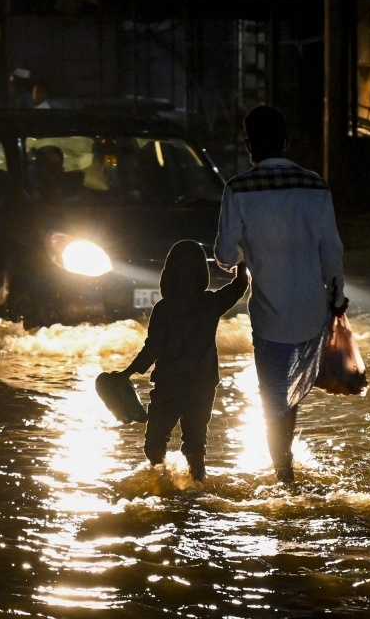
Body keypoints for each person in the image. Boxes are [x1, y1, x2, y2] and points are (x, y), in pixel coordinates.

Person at [214, 104, 347, 487]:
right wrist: (337, 298)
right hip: (312, 313)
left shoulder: (238, 189)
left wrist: (243, 255)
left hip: (269, 316)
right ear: (287, 142)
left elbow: (225, 255)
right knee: (290, 398)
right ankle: (286, 468)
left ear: (248, 145)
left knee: (272, 399)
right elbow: (332, 253)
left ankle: (283, 477)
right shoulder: (316, 187)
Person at [107, 241, 248, 482]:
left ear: (168, 273)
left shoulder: (164, 309)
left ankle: (160, 485)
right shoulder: (210, 303)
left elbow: (152, 348)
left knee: (154, 443)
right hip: (202, 386)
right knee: (195, 445)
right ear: (202, 273)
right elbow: (240, 286)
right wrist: (241, 259)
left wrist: (126, 373)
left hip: (168, 386)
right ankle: (197, 489)